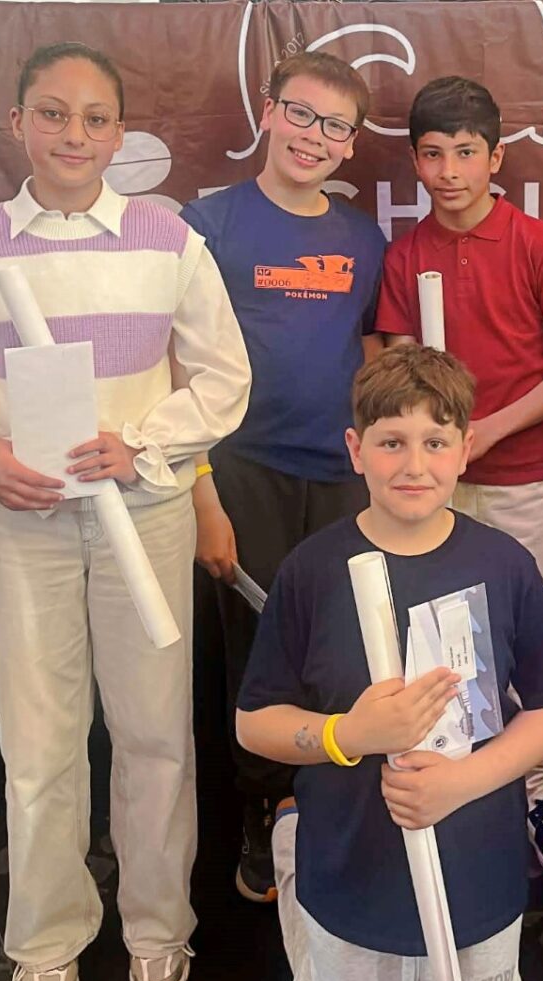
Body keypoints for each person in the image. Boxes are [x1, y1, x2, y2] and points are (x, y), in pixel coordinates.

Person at [0, 43, 251, 981]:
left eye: (95, 118)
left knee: (155, 732)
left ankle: (158, 924)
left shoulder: (167, 239)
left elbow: (224, 378)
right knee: (39, 739)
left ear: (119, 134)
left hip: (142, 517)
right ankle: (45, 934)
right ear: (17, 122)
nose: (74, 134)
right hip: (21, 524)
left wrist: (141, 443)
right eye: (53, 113)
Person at [237, 344, 543, 981]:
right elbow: (255, 724)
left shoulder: (502, 563)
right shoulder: (311, 571)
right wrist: (347, 734)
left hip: (477, 875)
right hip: (351, 881)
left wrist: (463, 781)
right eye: (392, 442)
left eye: (436, 441)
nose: (415, 465)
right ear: (356, 449)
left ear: (464, 450)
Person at [376, 77, 543, 883]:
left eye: (466, 153)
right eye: (433, 155)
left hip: (522, 481)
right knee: (436, 648)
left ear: (496, 157)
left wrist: (490, 430)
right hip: (432, 491)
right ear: (415, 162)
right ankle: (457, 795)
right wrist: (434, 449)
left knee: (531, 644)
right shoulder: (405, 255)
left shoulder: (537, 243)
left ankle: (535, 796)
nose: (449, 171)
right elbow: (400, 373)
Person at [181, 51, 386, 904]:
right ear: (267, 112)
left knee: (341, 647)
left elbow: (370, 354)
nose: (314, 136)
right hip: (244, 472)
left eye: (335, 125)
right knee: (257, 654)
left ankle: (329, 804)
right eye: (301, 113)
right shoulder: (207, 223)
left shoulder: (363, 239)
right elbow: (174, 364)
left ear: (351, 144)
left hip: (341, 478)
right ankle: (262, 810)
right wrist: (202, 492)